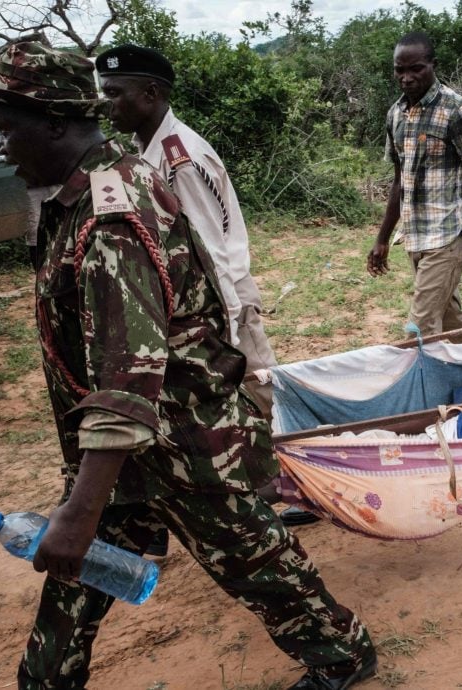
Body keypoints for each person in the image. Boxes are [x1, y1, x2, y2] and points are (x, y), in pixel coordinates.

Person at [0, 41, 375, 690]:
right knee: (77, 584)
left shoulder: (111, 211)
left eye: (7, 130)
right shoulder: (89, 192)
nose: (1, 148)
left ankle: (343, 654)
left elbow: (130, 372)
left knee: (253, 561)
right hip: (130, 445)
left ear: (51, 122)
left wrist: (76, 512)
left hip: (183, 441)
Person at [93, 45, 315, 534]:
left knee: (263, 397)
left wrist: (226, 329)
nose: (105, 102)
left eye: (114, 92)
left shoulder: (179, 159)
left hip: (225, 306)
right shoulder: (144, 151)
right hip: (197, 313)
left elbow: (211, 250)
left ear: (150, 94)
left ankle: (311, 485)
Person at [366, 31, 462, 342]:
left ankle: (424, 390)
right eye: (399, 70)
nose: (406, 78)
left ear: (433, 65)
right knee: (451, 320)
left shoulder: (456, 110)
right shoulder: (396, 114)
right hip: (416, 234)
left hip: (449, 234)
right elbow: (400, 180)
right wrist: (381, 239)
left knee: (418, 331)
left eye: (416, 68)